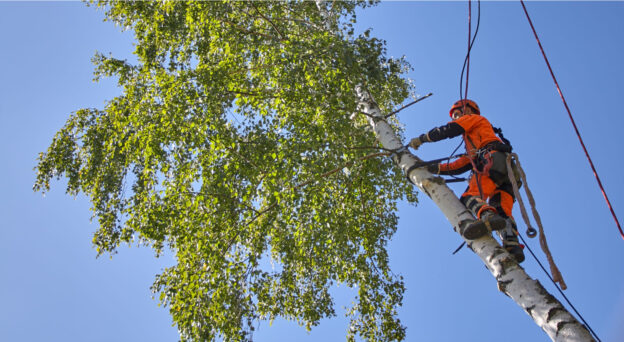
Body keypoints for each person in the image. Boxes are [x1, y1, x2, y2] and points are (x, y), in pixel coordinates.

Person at [409, 99, 524, 262]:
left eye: (457, 114)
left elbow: (448, 129)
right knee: (502, 209)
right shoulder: (476, 139)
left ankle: (487, 216)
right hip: (508, 171)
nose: (455, 118)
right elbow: (461, 164)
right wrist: (435, 168)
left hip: (492, 161)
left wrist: (422, 139)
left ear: (468, 111)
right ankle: (512, 245)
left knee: (469, 197)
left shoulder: (475, 119)